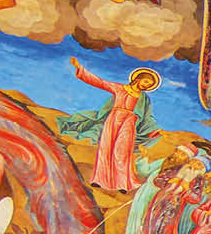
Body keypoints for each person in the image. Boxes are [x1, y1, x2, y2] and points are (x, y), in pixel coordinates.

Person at [60, 58, 160, 192]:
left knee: (122, 151)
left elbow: (147, 116)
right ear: (139, 78)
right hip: (113, 119)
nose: (146, 85)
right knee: (106, 147)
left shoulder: (144, 98)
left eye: (149, 84)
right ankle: (99, 179)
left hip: (129, 122)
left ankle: (123, 183)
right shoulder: (120, 88)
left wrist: (152, 131)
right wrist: (79, 68)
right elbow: (100, 82)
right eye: (146, 81)